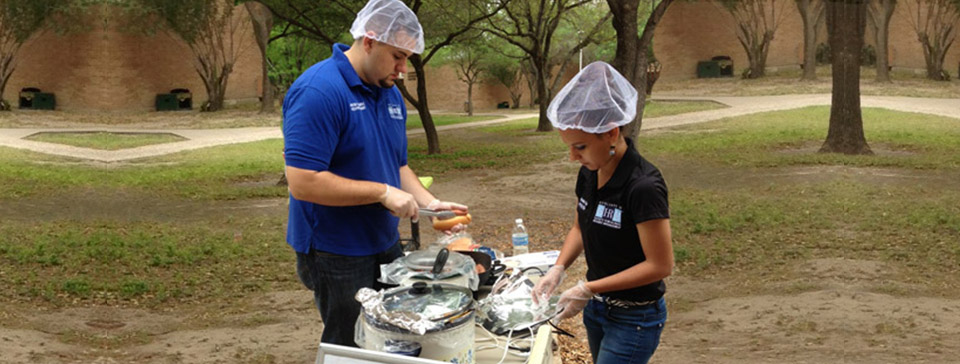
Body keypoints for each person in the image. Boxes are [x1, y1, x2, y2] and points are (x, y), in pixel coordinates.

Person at [282, 0, 467, 347]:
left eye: (407, 60)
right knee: (349, 344)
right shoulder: (318, 91)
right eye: (397, 56)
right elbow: (303, 182)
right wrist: (382, 193)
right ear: (369, 41)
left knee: (391, 338)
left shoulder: (390, 93)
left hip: (383, 242)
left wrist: (431, 204)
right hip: (334, 249)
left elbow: (397, 166)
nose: (402, 69)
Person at [531, 61, 674, 364]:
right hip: (597, 308)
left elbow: (660, 265)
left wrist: (587, 287)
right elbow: (580, 228)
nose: (572, 157)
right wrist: (558, 269)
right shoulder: (590, 172)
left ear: (611, 133)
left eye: (580, 146)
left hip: (635, 317)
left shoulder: (643, 186)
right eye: (569, 146)